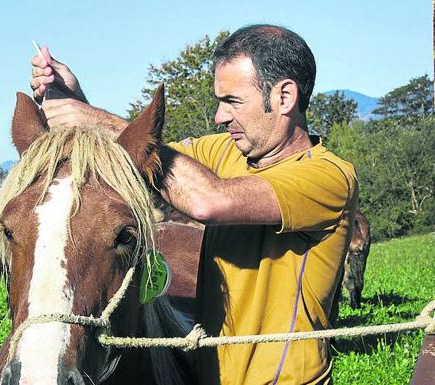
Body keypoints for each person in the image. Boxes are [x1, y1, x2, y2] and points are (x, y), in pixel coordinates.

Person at [29, 24, 357, 385]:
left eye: (232, 101)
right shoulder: (226, 150)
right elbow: (137, 157)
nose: (219, 116)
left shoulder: (328, 177)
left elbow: (208, 201)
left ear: (284, 97)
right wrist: (76, 99)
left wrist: (94, 120)